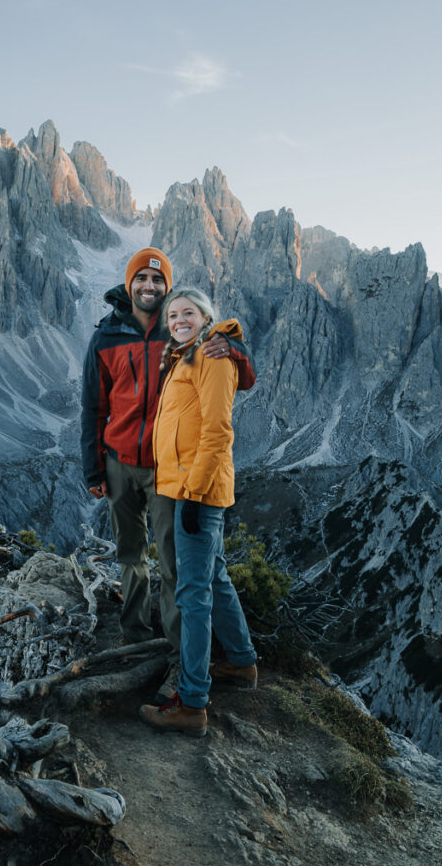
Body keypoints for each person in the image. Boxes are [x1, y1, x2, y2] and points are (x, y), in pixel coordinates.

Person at [81, 249, 255, 704]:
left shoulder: (179, 332)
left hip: (166, 471)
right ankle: (135, 637)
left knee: (176, 564)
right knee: (130, 554)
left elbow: (233, 371)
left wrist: (235, 347)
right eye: (142, 280)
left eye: (158, 283)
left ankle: (181, 658)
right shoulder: (106, 336)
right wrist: (93, 466)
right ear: (130, 283)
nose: (150, 289)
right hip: (119, 460)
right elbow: (92, 405)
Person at [139, 288, 258, 737]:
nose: (178, 319)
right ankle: (242, 661)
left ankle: (191, 702)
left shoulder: (212, 354)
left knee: (192, 594)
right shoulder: (185, 355)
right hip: (187, 486)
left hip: (197, 491)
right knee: (216, 575)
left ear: (206, 316)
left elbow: (217, 431)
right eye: (173, 314)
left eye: (188, 312)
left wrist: (193, 494)